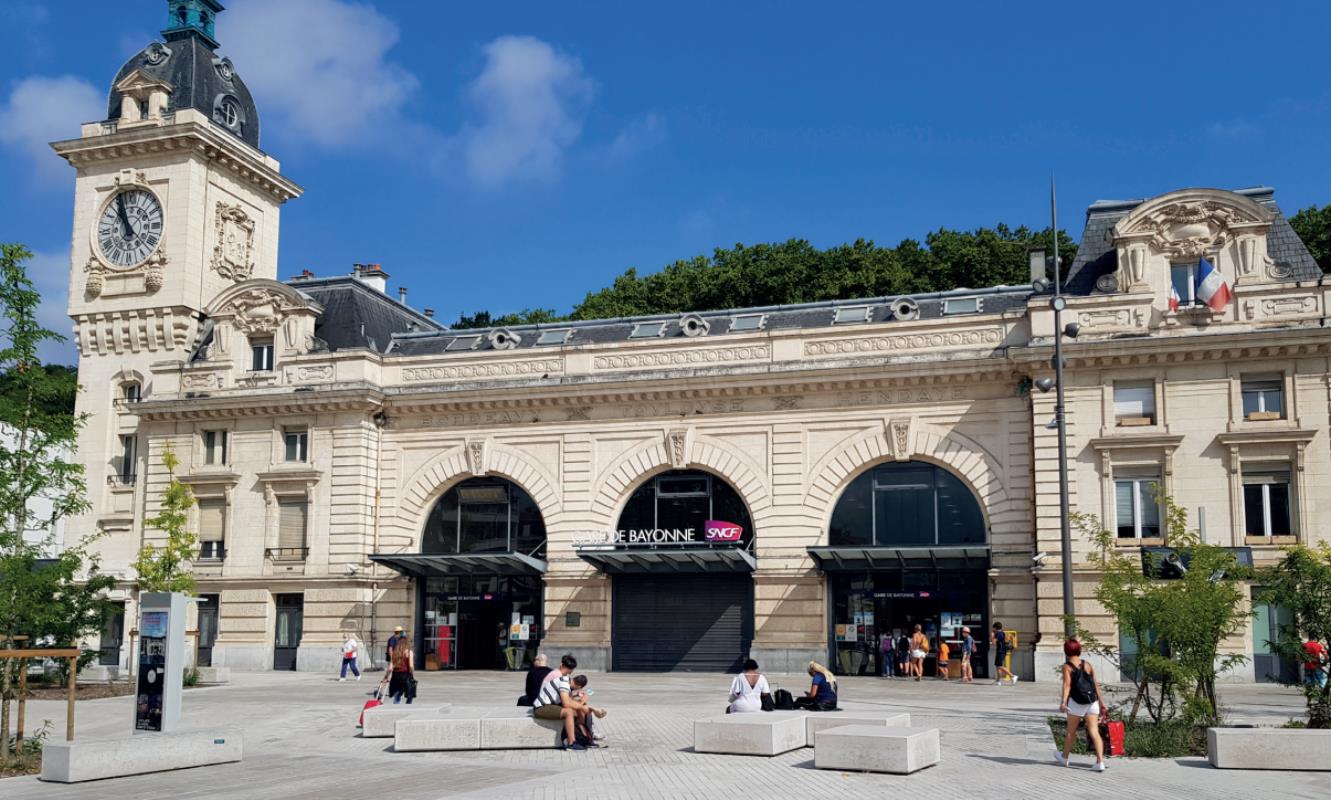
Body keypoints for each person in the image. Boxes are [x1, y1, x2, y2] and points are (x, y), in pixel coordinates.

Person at [1056, 638, 1108, 772]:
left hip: (1077, 702)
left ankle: (1065, 757)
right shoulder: (1088, 664)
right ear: (1078, 649)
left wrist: (1063, 702)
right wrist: (1102, 703)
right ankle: (1100, 762)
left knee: (1071, 732)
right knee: (1094, 731)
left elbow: (1067, 685)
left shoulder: (1066, 666)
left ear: (1066, 651)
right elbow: (1095, 684)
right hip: (1092, 701)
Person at [533, 654, 592, 750]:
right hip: (542, 706)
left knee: (577, 710)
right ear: (571, 670)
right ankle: (571, 742)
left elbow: (565, 698)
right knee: (569, 711)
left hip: (550, 704)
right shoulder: (561, 678)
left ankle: (585, 738)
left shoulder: (563, 677)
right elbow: (566, 703)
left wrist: (579, 704)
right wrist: (581, 704)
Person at [388, 636, 415, 705]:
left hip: (395, 675)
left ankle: (396, 704)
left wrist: (386, 677)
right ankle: (408, 705)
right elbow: (411, 666)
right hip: (405, 674)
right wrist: (412, 673)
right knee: (409, 692)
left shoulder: (394, 652)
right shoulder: (409, 652)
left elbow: (390, 668)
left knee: (397, 692)